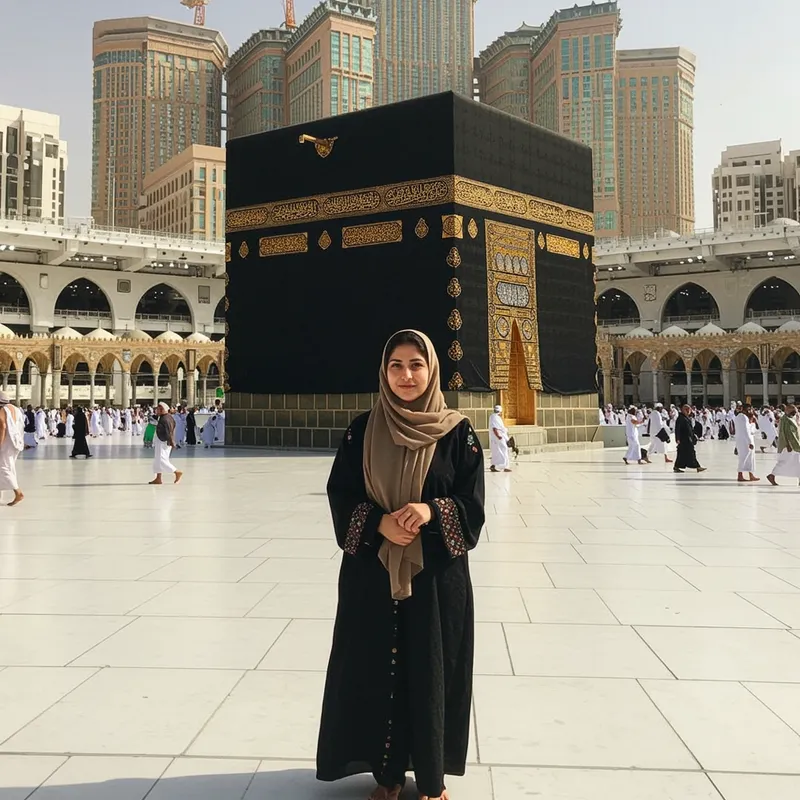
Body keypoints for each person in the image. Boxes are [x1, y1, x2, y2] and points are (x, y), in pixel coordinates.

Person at [317, 330, 485, 800]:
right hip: (372, 576)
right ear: (384, 371)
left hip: (434, 579)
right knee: (375, 670)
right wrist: (376, 525)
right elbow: (341, 496)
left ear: (431, 369)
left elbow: (472, 508)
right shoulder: (362, 430)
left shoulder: (457, 433)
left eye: (416, 365)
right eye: (396, 365)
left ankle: (432, 779)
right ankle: (386, 775)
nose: (406, 375)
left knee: (430, 669)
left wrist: (432, 511)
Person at [0, 393, 24, 506]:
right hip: (15, 441)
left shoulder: (2, 410)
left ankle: (18, 492)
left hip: (6, 442)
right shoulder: (15, 409)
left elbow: (3, 426)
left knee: (4, 468)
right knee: (9, 467)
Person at [767, 404, 800, 486]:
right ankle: (772, 475)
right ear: (787, 410)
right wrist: (788, 444)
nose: (794, 413)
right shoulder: (785, 420)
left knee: (797, 463)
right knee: (784, 462)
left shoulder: (790, 418)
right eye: (793, 412)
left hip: (794, 444)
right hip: (789, 445)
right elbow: (785, 433)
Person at [150, 402, 182, 485]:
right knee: (157, 460)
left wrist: (171, 442)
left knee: (162, 460)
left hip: (164, 442)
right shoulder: (163, 417)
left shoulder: (166, 419)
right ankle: (158, 478)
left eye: (159, 409)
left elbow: (169, 432)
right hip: (160, 440)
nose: (157, 410)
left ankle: (176, 472)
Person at [674, 404, 706, 474]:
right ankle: (697, 467)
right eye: (686, 410)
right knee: (691, 453)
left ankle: (676, 466)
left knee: (681, 454)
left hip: (688, 439)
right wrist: (677, 439)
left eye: (689, 410)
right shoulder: (680, 418)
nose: (688, 411)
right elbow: (677, 429)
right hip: (684, 439)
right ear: (683, 410)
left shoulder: (686, 418)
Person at [735, 403, 759, 482]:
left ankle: (751, 475)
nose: (751, 411)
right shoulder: (744, 417)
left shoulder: (739, 417)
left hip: (741, 440)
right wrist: (750, 442)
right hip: (746, 440)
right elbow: (746, 430)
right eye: (749, 409)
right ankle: (740, 475)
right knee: (744, 458)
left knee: (750, 458)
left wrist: (751, 422)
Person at [488, 404, 511, 473]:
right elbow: (495, 428)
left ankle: (494, 465)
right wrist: (499, 436)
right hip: (498, 438)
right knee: (503, 451)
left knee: (496, 452)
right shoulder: (495, 417)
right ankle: (503, 466)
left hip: (497, 438)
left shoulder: (494, 417)